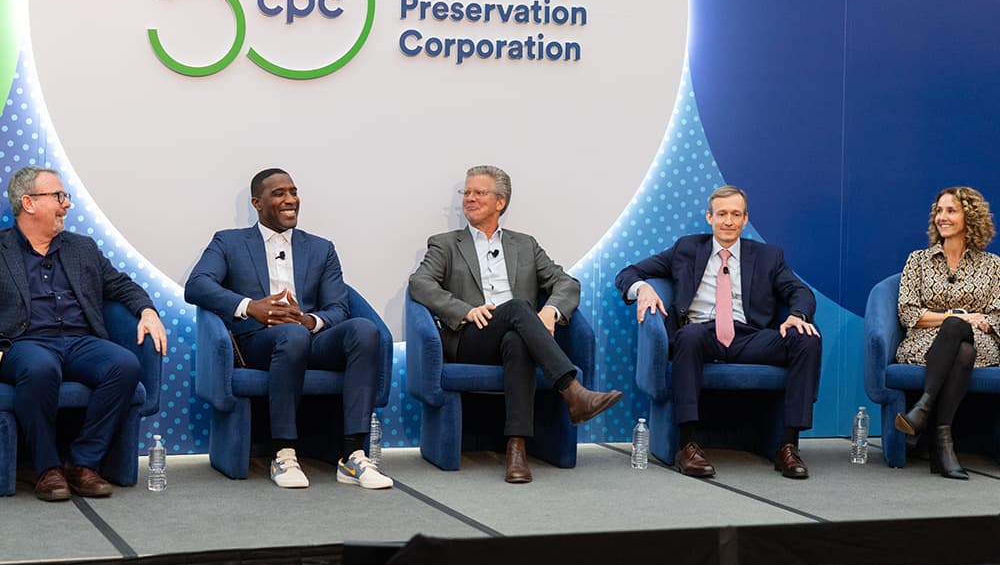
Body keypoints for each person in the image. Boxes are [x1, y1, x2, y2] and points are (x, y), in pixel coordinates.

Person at [408, 165, 622, 484]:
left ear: (500, 202)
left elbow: (567, 284)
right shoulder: (445, 244)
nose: (469, 198)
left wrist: (550, 311)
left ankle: (516, 450)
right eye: (466, 192)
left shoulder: (525, 245)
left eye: (479, 192)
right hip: (471, 339)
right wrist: (465, 310)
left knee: (517, 340)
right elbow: (419, 284)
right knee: (520, 307)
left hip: (519, 336)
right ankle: (572, 390)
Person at [185, 168, 392, 490]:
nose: (290, 200)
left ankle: (352, 454)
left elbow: (339, 307)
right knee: (290, 335)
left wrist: (309, 321)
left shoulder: (321, 248)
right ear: (257, 202)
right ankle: (283, 452)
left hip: (310, 337)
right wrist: (251, 307)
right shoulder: (229, 241)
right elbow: (197, 285)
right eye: (279, 193)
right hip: (258, 341)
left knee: (364, 330)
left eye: (293, 192)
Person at [614, 185, 822, 479]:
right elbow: (627, 273)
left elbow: (799, 290)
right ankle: (687, 445)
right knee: (689, 336)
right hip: (700, 334)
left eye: (735, 214)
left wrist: (797, 315)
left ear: (745, 219)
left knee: (807, 338)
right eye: (721, 214)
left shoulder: (768, 256)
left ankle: (788, 445)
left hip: (749, 337)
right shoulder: (686, 249)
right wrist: (643, 288)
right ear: (709, 217)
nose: (728, 221)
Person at [0, 166, 167, 501]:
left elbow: (120, 285)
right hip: (25, 342)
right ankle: (47, 469)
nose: (67, 204)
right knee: (39, 368)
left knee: (125, 364)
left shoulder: (82, 248)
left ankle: (82, 463)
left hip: (80, 341)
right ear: (29, 203)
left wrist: (147, 311)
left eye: (66, 196)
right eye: (59, 196)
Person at [894, 186, 1000, 480]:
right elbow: (908, 312)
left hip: (981, 344)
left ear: (971, 217)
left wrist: (976, 322)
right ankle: (943, 442)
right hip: (927, 342)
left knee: (963, 340)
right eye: (939, 211)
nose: (942, 217)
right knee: (958, 338)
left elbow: (996, 315)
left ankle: (922, 411)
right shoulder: (917, 260)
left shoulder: (993, 266)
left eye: (951, 210)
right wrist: (959, 317)